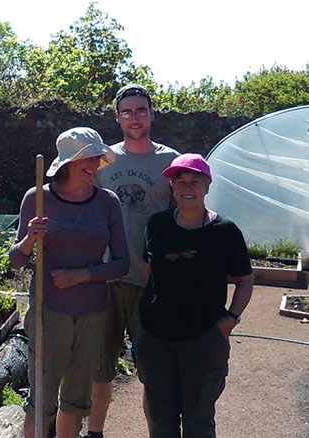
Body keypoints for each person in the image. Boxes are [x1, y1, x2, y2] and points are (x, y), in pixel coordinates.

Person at [9, 126, 129, 438]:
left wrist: (83, 275)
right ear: (66, 163)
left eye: (97, 157)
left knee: (76, 400)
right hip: (49, 312)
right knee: (41, 400)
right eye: (86, 158)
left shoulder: (107, 202)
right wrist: (29, 240)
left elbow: (122, 263)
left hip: (92, 313)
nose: (94, 163)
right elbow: (16, 261)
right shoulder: (38, 198)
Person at [136, 153, 254, 437]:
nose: (187, 188)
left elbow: (245, 280)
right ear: (172, 187)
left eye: (194, 181)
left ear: (207, 186)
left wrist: (230, 319)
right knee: (161, 422)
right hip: (157, 338)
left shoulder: (225, 231)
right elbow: (149, 272)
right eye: (180, 181)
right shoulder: (157, 225)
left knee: (198, 420)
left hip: (203, 338)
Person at [88, 84, 180, 437]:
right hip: (108, 279)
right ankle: (94, 432)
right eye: (126, 112)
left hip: (152, 282)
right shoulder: (103, 160)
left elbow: (183, 215)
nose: (134, 117)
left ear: (152, 113)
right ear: (117, 117)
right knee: (101, 368)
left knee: (153, 372)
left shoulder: (170, 161)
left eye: (141, 110)